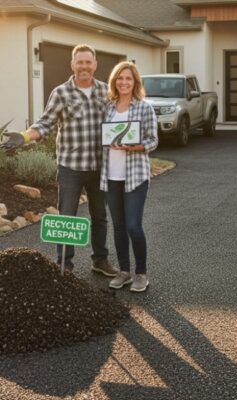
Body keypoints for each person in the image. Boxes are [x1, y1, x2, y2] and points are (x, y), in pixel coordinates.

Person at [0, 44, 117, 276]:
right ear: (72, 65)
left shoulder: (106, 91)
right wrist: (24, 136)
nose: (84, 66)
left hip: (99, 166)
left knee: (100, 217)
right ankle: (65, 266)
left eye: (88, 62)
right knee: (66, 218)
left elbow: (117, 123)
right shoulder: (61, 92)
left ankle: (100, 261)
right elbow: (45, 124)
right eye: (80, 62)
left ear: (95, 65)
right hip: (71, 168)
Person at [101, 61, 158, 292]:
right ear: (115, 82)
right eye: (120, 78)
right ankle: (124, 271)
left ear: (135, 83)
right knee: (118, 226)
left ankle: (141, 273)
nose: (124, 82)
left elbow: (153, 140)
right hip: (111, 176)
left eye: (128, 79)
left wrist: (135, 147)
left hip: (135, 176)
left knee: (134, 226)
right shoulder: (108, 108)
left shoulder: (144, 108)